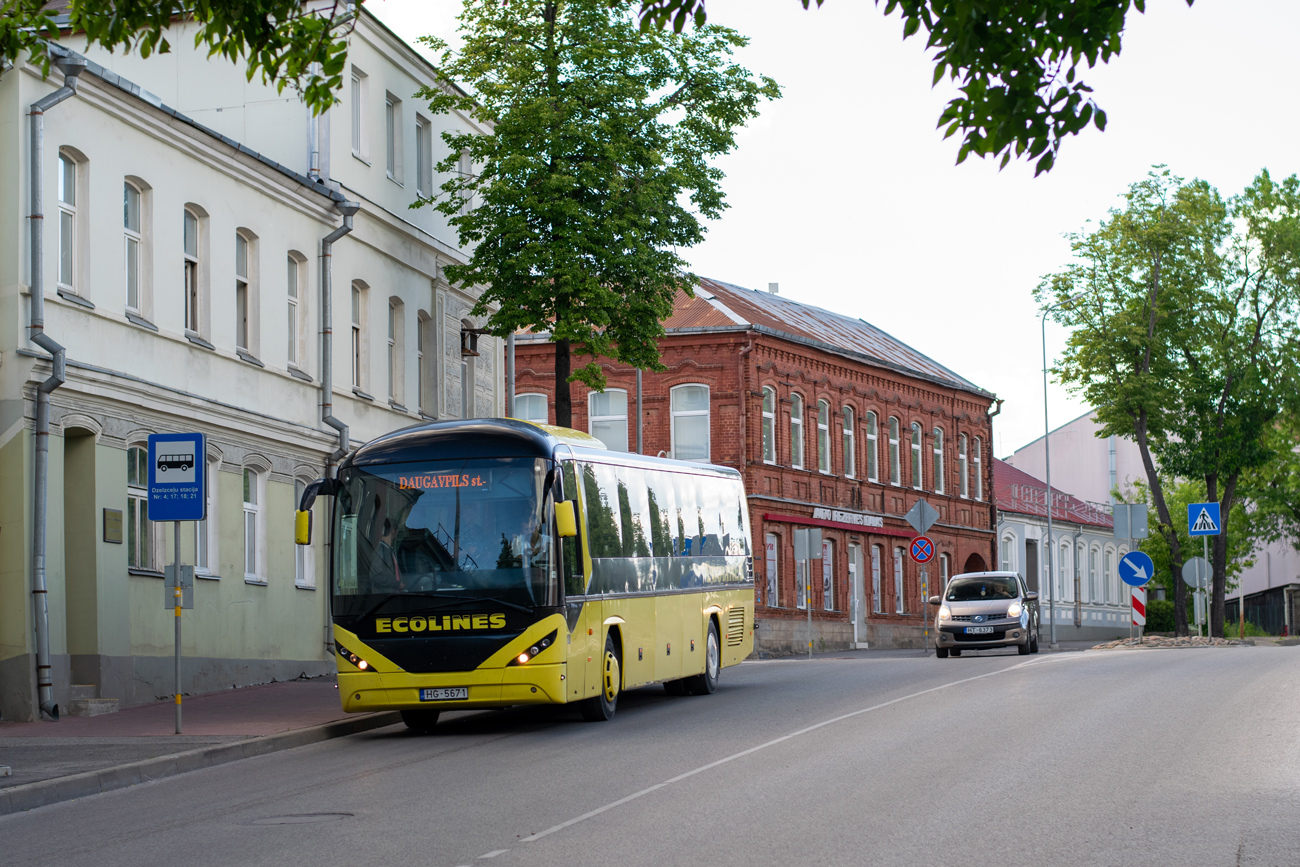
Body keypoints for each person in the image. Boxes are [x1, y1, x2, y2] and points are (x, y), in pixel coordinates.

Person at [368, 518, 404, 594]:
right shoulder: (381, 552)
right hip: (384, 598)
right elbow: (375, 577)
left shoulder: (389, 550)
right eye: (397, 531)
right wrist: (395, 583)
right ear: (393, 531)